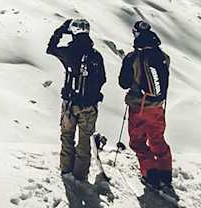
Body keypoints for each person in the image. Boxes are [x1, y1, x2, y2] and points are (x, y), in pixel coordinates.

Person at [46, 18, 106, 181]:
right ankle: (80, 175)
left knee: (67, 136)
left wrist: (60, 31)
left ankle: (66, 170)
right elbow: (102, 79)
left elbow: (50, 49)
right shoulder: (96, 56)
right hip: (89, 106)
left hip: (70, 104)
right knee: (84, 141)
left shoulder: (68, 52)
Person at [119, 20, 173, 193]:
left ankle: (150, 174)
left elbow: (123, 83)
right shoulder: (163, 56)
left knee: (138, 142)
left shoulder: (132, 57)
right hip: (157, 107)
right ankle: (165, 174)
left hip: (138, 108)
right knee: (157, 139)